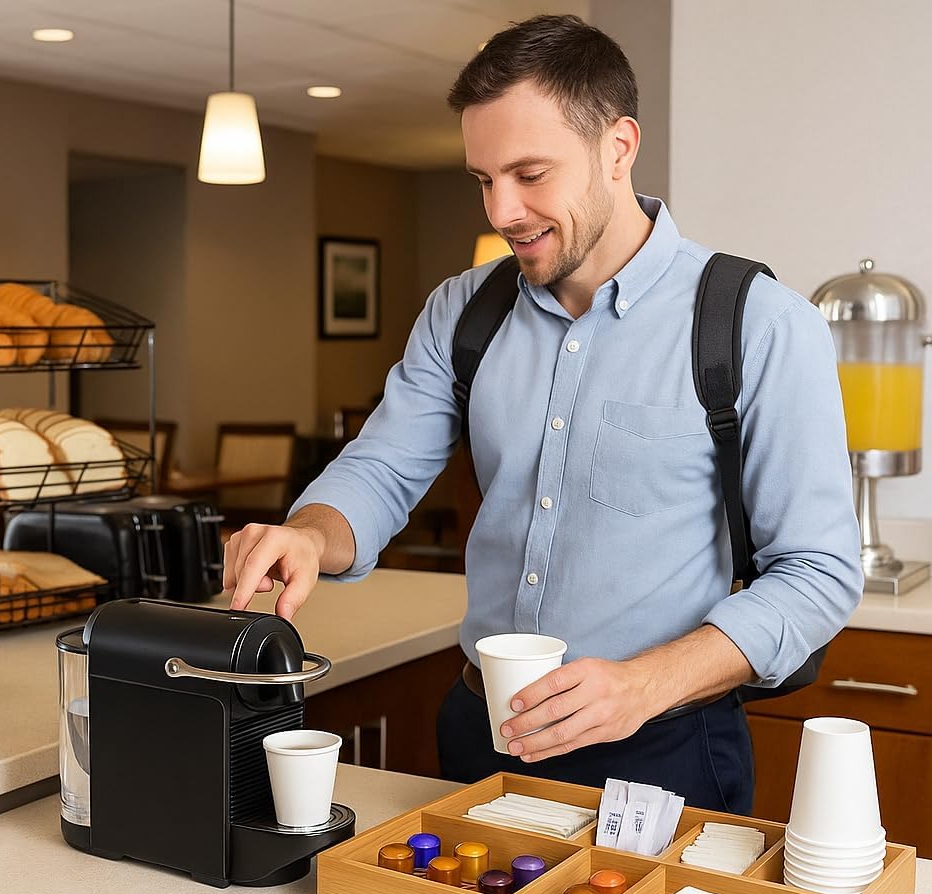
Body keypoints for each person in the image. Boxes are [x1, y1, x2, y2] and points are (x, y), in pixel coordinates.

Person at [223, 14, 862, 814]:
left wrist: (642, 685)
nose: (503, 210)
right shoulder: (462, 312)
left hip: (663, 748)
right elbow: (381, 468)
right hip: (478, 730)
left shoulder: (757, 324)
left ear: (618, 147)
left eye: (530, 173)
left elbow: (820, 572)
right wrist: (310, 533)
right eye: (483, 179)